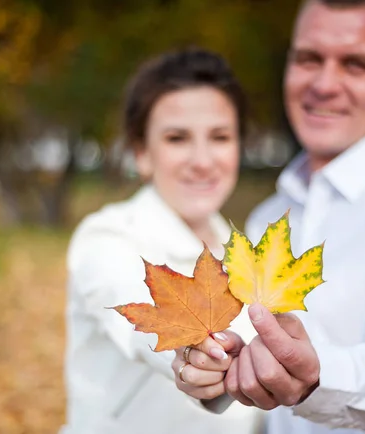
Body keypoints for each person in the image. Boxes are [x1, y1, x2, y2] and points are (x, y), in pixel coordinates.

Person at [173, 1, 365, 433]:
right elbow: (251, 373)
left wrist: (319, 377)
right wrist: (215, 379)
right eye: (308, 59)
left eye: (355, 65)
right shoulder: (268, 218)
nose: (324, 84)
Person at [60, 47, 264, 434]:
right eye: (177, 138)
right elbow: (131, 314)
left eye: (220, 137)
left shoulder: (246, 254)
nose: (202, 160)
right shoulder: (106, 238)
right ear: (142, 153)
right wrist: (188, 356)